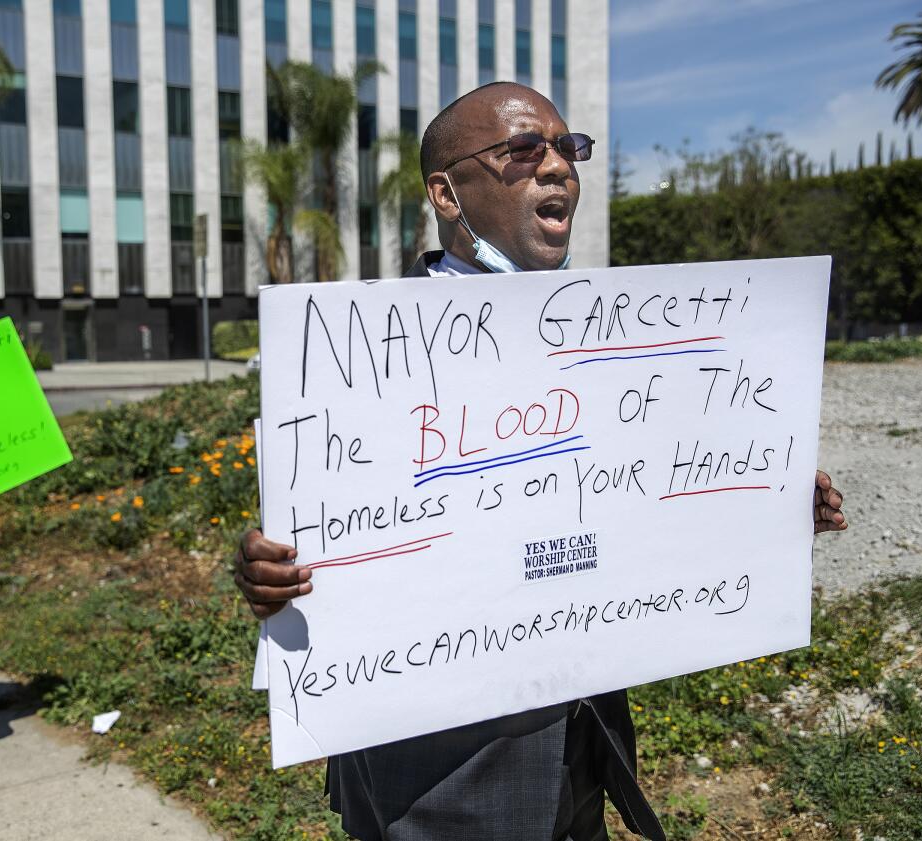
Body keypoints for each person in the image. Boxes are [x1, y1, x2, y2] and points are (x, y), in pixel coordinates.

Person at [233, 82, 848, 841]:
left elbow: (647, 501)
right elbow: (324, 530)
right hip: (430, 781)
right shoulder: (362, 349)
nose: (558, 167)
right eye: (525, 150)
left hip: (579, 753)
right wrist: (267, 571)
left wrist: (766, 508)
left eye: (569, 148)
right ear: (447, 194)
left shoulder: (617, 347)